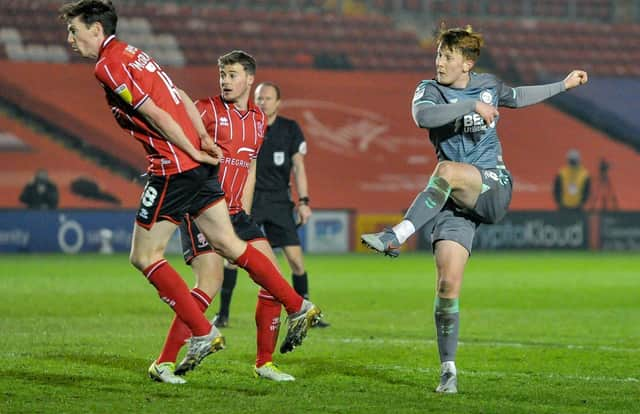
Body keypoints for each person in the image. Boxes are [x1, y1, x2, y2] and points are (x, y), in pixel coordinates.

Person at [59, 0, 321, 383]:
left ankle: (204, 332)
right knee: (230, 248)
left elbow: (157, 114)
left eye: (74, 30)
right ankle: (297, 306)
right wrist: (199, 139)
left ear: (96, 30)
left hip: (171, 170)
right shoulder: (134, 53)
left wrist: (190, 147)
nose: (70, 38)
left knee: (144, 256)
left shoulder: (108, 64)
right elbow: (178, 94)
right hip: (198, 172)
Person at [361, 25, 588, 394]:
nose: (440, 62)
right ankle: (448, 370)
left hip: (493, 183)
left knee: (446, 170)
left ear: (467, 63)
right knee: (447, 284)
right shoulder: (428, 90)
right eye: (438, 55)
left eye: (447, 57)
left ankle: (396, 235)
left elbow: (518, 95)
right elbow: (424, 118)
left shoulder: (489, 85)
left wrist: (562, 85)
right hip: (453, 199)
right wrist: (470, 105)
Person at [153, 51, 314, 383]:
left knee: (270, 275)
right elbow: (177, 132)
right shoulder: (206, 109)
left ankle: (264, 362)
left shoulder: (257, 119)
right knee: (208, 284)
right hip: (202, 210)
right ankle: (164, 362)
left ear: (249, 79)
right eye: (222, 75)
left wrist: (245, 210)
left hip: (237, 214)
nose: (225, 81)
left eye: (232, 75)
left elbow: (250, 164)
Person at [212, 81, 330, 329]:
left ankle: (305, 311)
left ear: (278, 102)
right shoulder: (246, 126)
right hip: (250, 200)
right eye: (259, 98)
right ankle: (222, 314)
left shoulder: (290, 129)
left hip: (279, 202)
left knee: (296, 261)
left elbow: (299, 167)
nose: (262, 102)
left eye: (267, 98)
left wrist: (304, 201)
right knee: (232, 259)